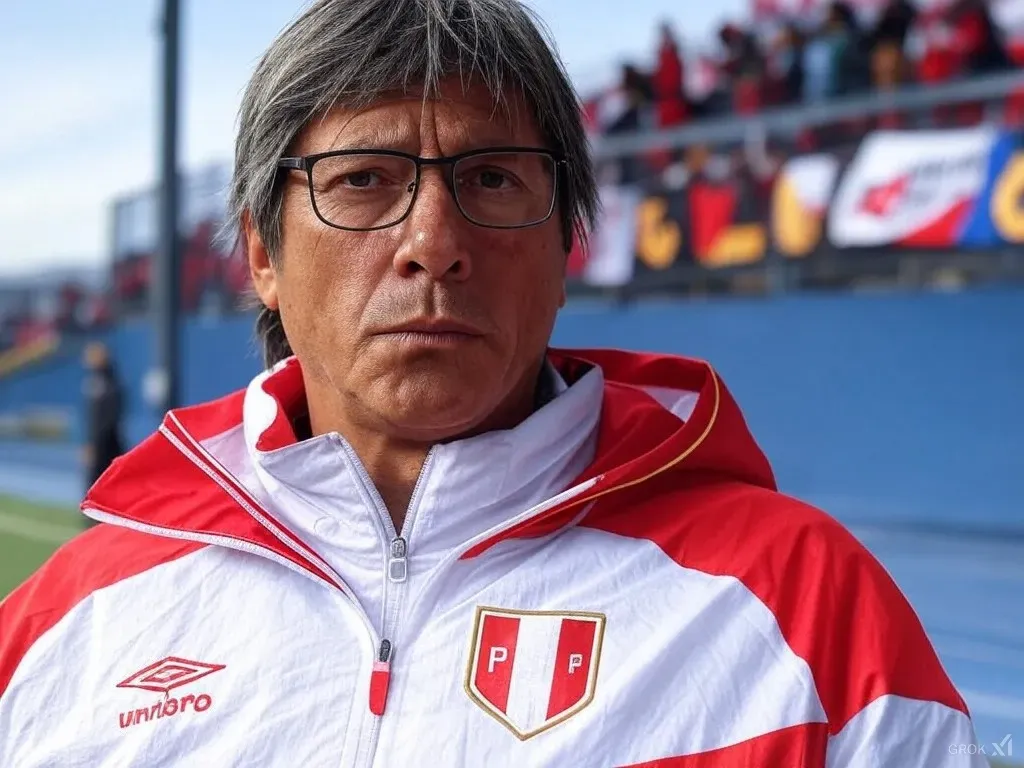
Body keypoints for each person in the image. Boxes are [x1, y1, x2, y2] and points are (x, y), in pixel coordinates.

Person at [0, 1, 986, 765]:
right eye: (363, 181)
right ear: (262, 253)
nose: (433, 244)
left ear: (565, 247)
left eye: (492, 180)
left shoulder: (806, 609)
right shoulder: (58, 628)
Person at [80, 341, 124, 505]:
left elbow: (107, 416)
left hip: (106, 442)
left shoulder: (108, 382)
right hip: (102, 440)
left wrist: (94, 444)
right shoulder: (96, 380)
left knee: (101, 482)